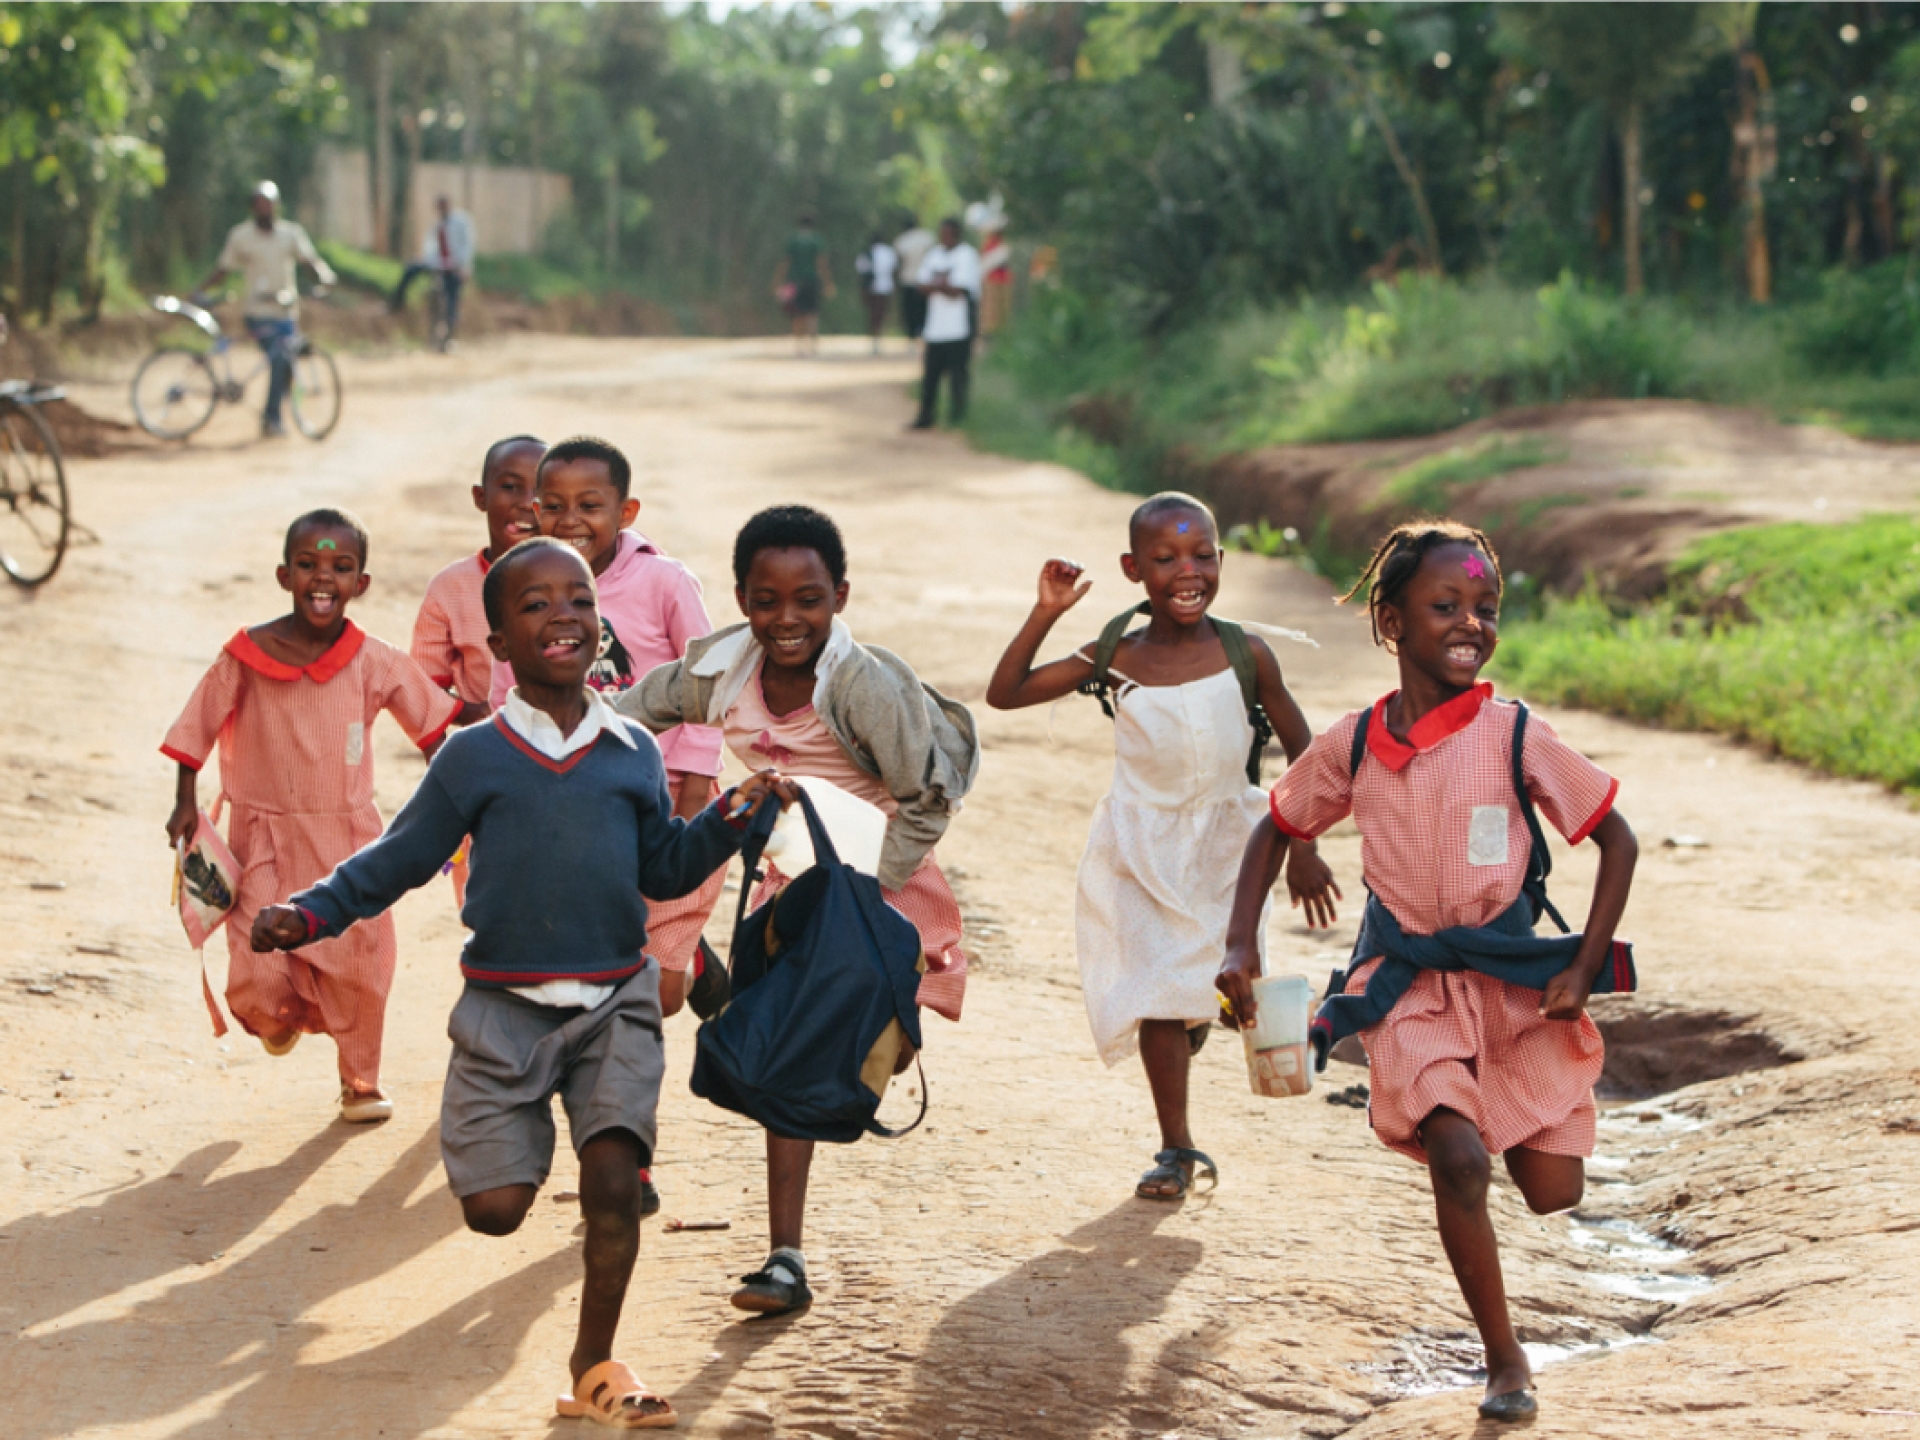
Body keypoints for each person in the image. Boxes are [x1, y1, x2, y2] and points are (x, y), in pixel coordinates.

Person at [250, 536, 797, 1431]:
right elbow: (400, 859)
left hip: (614, 999)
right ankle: (522, 1132)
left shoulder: (629, 750)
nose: (563, 618)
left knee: (616, 1181)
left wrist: (737, 815)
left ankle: (594, 1364)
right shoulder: (473, 757)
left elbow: (663, 869)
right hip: (504, 1006)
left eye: (578, 601)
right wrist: (307, 914)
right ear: (499, 644)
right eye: (535, 605)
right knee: (496, 1212)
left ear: (601, 626)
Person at [1217, 519, 1640, 1424]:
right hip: (1407, 983)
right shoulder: (1358, 743)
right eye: (1445, 605)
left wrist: (1585, 961)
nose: (1470, 623)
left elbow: (1616, 838)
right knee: (1456, 1157)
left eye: (1485, 607)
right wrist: (1239, 944)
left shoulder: (1516, 733)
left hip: (1513, 984)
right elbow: (1277, 825)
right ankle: (1505, 1357)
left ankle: (1521, 1125)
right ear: (1391, 621)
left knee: (1550, 1191)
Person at [618, 504, 980, 1318]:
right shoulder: (719, 672)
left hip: (877, 881)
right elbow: (633, 711)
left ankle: (862, 1018)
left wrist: (865, 889)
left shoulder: (862, 686)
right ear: (742, 598)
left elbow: (927, 799)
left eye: (808, 600)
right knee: (790, 1057)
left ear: (839, 596)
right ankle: (785, 1259)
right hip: (791, 878)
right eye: (768, 599)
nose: (788, 619)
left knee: (831, 1050)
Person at [985, 492, 1335, 1200]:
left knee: (1222, 980)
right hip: (1142, 843)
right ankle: (1176, 1147)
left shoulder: (1246, 653)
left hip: (1231, 843)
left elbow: (1306, 752)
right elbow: (1006, 692)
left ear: (1221, 560)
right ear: (1132, 569)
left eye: (1203, 555)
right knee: (1156, 993)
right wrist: (1048, 611)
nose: (1188, 571)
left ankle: (1196, 1020)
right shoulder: (1116, 655)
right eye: (1166, 558)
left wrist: (1302, 845)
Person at [487, 438, 731, 1219]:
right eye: (551, 506)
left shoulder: (662, 581)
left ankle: (688, 959)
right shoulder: (528, 583)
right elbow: (508, 693)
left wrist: (694, 787)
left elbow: (709, 685)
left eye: (589, 507)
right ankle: (627, 1156)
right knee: (601, 997)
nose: (569, 520)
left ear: (625, 513)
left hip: (668, 812)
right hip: (577, 819)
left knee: (654, 994)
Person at [161, 509, 460, 1123]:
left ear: (361, 582)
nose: (323, 578)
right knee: (255, 976)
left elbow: (434, 730)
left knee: (358, 963)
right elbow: (197, 721)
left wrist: (462, 797)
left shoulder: (374, 660)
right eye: (309, 565)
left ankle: (361, 1081)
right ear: (284, 574)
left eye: (340, 567)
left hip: (347, 839)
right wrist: (185, 798)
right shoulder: (244, 655)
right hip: (260, 837)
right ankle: (282, 1015)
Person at [412, 434, 544, 730]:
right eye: (510, 487)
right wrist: (468, 713)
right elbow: (420, 686)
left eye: (541, 492)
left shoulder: (581, 580)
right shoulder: (449, 589)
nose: (526, 503)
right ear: (480, 497)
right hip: (490, 750)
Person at [195, 180, 337, 439]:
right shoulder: (241, 236)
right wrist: (199, 290)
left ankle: (276, 412)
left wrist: (325, 276)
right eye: (260, 204)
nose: (265, 209)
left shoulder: (290, 234)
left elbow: (310, 261)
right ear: (252, 208)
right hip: (258, 312)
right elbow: (223, 269)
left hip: (286, 313)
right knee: (280, 358)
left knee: (287, 362)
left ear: (276, 206)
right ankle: (271, 419)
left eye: (269, 204)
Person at [910, 218, 979, 431]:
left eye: (947, 233)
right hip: (935, 328)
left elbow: (959, 290)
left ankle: (957, 416)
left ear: (956, 234)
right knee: (930, 375)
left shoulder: (967, 255)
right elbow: (921, 286)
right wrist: (943, 285)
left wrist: (937, 285)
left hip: (958, 328)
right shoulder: (934, 255)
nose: (943, 237)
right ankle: (926, 415)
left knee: (958, 374)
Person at [390, 195, 476, 352]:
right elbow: (431, 247)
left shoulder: (461, 221)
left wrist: (465, 267)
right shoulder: (437, 225)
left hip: (455, 267)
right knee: (410, 269)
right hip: (438, 264)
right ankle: (397, 302)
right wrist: (424, 258)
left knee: (451, 302)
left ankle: (448, 339)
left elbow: (467, 245)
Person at [773, 213, 833, 358]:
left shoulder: (793, 241)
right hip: (812, 280)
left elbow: (785, 263)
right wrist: (828, 283)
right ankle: (812, 345)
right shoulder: (817, 241)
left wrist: (777, 281)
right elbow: (821, 264)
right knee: (812, 313)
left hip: (795, 281)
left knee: (797, 314)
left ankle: (799, 347)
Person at [854, 232, 899, 355]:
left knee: (872, 315)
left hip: (871, 289)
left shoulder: (867, 253)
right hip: (885, 288)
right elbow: (894, 270)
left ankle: (874, 339)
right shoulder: (888, 253)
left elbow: (861, 271)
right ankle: (878, 338)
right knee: (881, 314)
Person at [892, 220, 935, 345]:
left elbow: (898, 262)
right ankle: (922, 332)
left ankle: (911, 334)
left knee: (909, 309)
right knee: (923, 308)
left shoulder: (902, 241)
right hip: (924, 280)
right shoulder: (926, 237)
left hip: (908, 279)